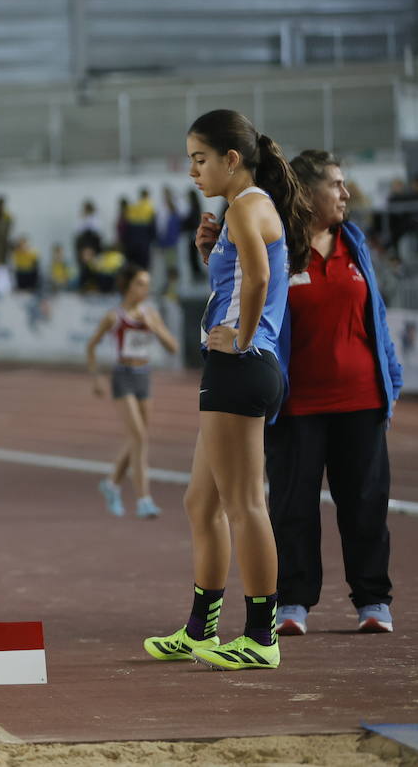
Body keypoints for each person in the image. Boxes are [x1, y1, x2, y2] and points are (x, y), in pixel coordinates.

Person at [144, 109, 312, 671]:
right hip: (236, 368)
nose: (193, 171)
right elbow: (243, 276)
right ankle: (200, 630)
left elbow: (262, 279)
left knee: (244, 504)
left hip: (243, 367)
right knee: (202, 502)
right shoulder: (242, 210)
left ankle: (262, 637)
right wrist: (206, 253)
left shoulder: (246, 204)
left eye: (199, 159)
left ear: (230, 160)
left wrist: (240, 340)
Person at [266, 150, 403, 636]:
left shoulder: (354, 243)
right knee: (292, 507)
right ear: (307, 193)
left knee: (366, 504)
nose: (347, 194)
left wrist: (392, 379)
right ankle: (293, 603)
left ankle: (372, 601)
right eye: (338, 185)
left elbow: (378, 318)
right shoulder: (277, 248)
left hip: (361, 402)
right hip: (297, 405)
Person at [86, 265, 178, 519]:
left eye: (147, 284)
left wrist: (155, 327)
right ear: (127, 286)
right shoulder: (114, 316)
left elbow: (173, 348)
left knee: (138, 439)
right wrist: (95, 378)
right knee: (139, 437)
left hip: (144, 377)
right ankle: (144, 499)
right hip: (123, 377)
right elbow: (91, 347)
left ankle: (111, 483)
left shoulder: (151, 314)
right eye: (140, 283)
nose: (145, 289)